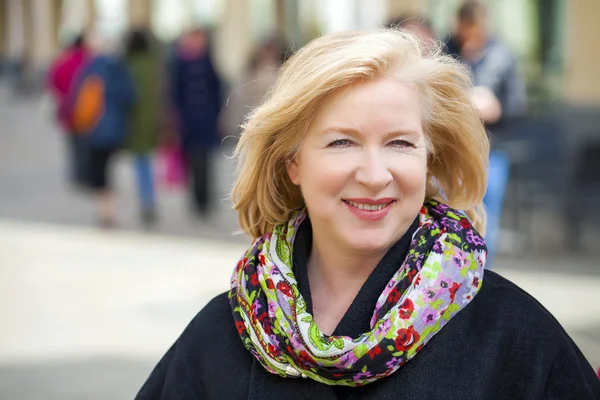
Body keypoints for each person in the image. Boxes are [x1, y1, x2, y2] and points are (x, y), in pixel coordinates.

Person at [136, 29, 600, 399]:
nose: (376, 175)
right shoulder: (222, 335)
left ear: (428, 156)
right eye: (342, 142)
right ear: (292, 162)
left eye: (399, 142)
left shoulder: (514, 336)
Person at [446, 0, 527, 264]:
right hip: (453, 150)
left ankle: (481, 274)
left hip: (491, 150)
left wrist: (496, 108)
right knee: (450, 211)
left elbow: (518, 105)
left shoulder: (502, 56)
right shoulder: (447, 50)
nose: (470, 39)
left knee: (487, 217)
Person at [68, 32, 136, 227]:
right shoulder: (121, 68)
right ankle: (109, 209)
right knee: (107, 169)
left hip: (95, 129)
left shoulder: (92, 68)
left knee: (99, 172)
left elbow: (78, 99)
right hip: (116, 129)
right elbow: (130, 97)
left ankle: (105, 211)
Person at [170, 28, 222, 218]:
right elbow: (175, 92)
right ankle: (196, 200)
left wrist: (217, 115)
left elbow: (217, 90)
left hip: (206, 120)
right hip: (188, 122)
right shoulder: (180, 62)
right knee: (192, 162)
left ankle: (205, 200)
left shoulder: (208, 61)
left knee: (205, 162)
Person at [124, 28, 162, 225]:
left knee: (140, 164)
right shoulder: (153, 64)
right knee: (147, 162)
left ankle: (145, 201)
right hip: (152, 121)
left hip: (133, 122)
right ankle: (150, 200)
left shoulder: (126, 65)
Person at [46, 33, 90, 187]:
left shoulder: (64, 61)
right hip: (89, 110)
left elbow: (52, 81)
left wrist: (63, 95)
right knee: (87, 142)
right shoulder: (90, 61)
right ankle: (86, 173)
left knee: (73, 143)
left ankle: (75, 174)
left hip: (68, 108)